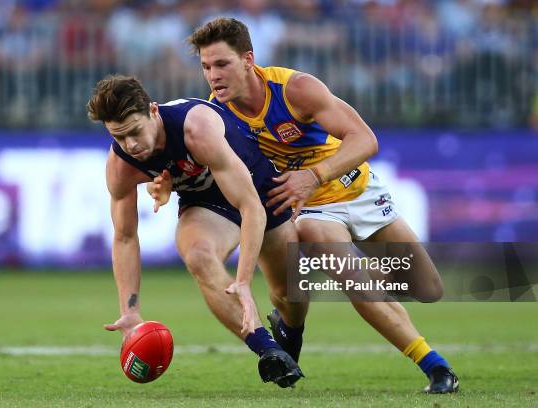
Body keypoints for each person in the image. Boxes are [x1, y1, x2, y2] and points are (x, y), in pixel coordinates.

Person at [184, 17, 459, 394]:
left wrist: (313, 175)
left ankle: (295, 320)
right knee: (347, 272)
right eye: (205, 66)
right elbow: (196, 161)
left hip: (357, 190)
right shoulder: (215, 116)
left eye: (222, 64)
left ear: (248, 59)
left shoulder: (295, 89)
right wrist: (167, 181)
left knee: (427, 288)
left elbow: (364, 139)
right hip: (308, 211)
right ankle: (436, 367)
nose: (212, 75)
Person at [86, 74, 304, 388]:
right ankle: (266, 349)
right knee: (199, 256)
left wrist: (242, 280)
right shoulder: (121, 165)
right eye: (119, 138)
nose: (130, 145)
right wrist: (130, 311)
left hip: (259, 192)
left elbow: (250, 207)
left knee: (290, 294)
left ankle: (289, 332)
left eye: (134, 131)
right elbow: (124, 236)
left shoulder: (196, 127)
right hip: (207, 203)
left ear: (153, 111)